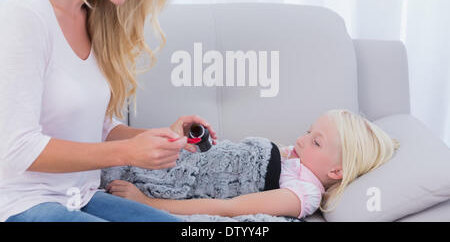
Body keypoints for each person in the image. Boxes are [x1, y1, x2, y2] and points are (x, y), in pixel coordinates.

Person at [0, 0, 216, 222]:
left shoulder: (94, 17)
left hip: (83, 198)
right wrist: (128, 152)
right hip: (24, 206)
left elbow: (97, 127)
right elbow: (17, 148)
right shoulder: (25, 15)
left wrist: (162, 138)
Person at [105, 109, 400, 219]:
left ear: (336, 171)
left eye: (316, 142)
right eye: (309, 131)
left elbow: (229, 207)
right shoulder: (295, 158)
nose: (301, 139)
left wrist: (146, 203)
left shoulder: (302, 193)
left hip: (170, 190)